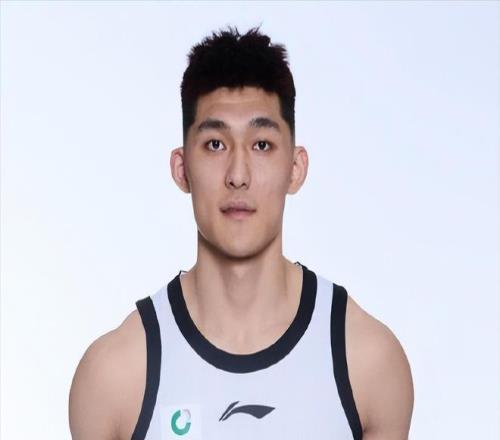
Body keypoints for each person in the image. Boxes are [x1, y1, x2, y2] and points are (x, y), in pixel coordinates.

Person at [69, 25, 414, 440]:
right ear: (182, 168)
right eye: (215, 144)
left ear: (295, 168)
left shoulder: (368, 364)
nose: (238, 175)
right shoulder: (115, 378)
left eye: (262, 144)